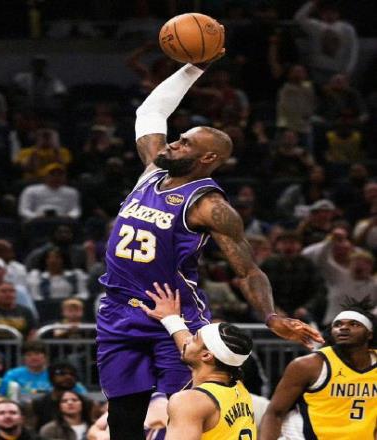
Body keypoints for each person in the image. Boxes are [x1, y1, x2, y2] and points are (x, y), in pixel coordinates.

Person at [96, 49, 323, 439]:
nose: (173, 144)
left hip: (175, 317)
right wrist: (195, 66)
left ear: (209, 157)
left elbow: (248, 270)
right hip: (118, 312)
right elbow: (150, 111)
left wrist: (271, 316)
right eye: (177, 139)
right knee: (123, 422)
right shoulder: (152, 171)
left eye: (184, 143)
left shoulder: (210, 206)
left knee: (183, 415)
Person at [139, 282, 256, 439]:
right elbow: (197, 351)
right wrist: (171, 320)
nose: (187, 340)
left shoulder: (190, 402)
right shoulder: (238, 388)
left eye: (194, 338)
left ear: (207, 356)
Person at [259, 297, 377, 440]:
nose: (343, 328)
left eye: (354, 324)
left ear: (369, 334)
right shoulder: (309, 365)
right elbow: (275, 413)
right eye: (338, 324)